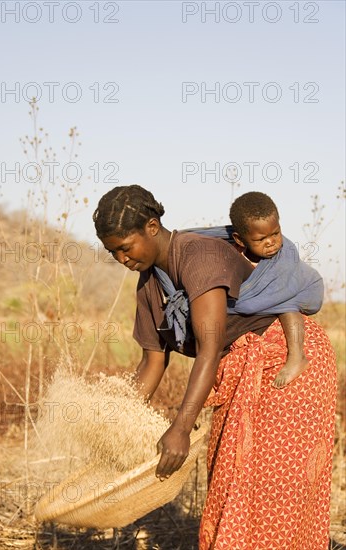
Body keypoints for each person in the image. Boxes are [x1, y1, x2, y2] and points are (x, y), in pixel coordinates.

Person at [93, 184, 336, 550]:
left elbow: (208, 351)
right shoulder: (149, 288)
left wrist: (180, 428)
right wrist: (114, 422)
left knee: (274, 484)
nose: (122, 259)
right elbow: (152, 361)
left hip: (287, 363)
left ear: (153, 227)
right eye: (113, 252)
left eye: (126, 247)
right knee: (230, 476)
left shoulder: (198, 257)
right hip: (239, 370)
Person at [227, 191, 324, 388]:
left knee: (286, 305)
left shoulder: (284, 257)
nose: (271, 242)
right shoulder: (234, 253)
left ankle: (297, 356)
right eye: (261, 239)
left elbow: (274, 291)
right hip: (276, 294)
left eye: (276, 233)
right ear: (239, 239)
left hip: (305, 289)